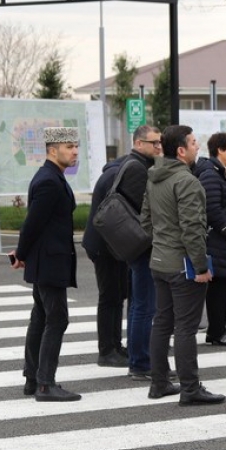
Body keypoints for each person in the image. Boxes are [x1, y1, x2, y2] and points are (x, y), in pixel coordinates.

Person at [141, 124, 224, 406]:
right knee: (186, 327)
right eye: (193, 142)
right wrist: (201, 267)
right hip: (182, 265)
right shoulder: (187, 182)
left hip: (160, 261)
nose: (197, 146)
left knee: (162, 322)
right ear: (180, 150)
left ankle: (159, 382)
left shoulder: (154, 178)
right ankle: (190, 388)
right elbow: (193, 229)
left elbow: (145, 220)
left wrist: (163, 242)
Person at [82, 125, 162, 378]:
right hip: (108, 244)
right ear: (139, 143)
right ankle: (108, 350)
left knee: (117, 296)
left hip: (111, 243)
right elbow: (142, 211)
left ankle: (116, 346)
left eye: (160, 142)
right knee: (111, 297)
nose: (159, 147)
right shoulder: (135, 169)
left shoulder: (126, 165)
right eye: (154, 143)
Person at [13, 127, 82, 402]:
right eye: (69, 146)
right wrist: (21, 253)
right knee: (57, 319)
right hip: (49, 263)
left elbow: (37, 224)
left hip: (46, 260)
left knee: (41, 317)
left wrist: (22, 252)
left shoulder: (51, 176)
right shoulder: (49, 181)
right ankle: (44, 384)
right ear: (53, 150)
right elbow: (32, 223)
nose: (75, 151)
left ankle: (32, 378)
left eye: (76, 146)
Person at [194, 132, 226, 348]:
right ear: (220, 150)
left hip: (221, 241)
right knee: (218, 290)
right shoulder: (211, 174)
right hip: (217, 241)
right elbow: (211, 207)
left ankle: (217, 331)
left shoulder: (223, 172)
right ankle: (216, 332)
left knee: (220, 289)